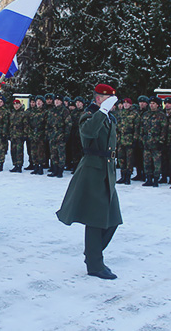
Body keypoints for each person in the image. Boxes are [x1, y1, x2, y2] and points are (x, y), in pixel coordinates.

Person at [57, 84, 122, 280]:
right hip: (92, 171)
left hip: (107, 170)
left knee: (113, 219)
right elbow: (89, 133)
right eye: (105, 97)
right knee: (95, 220)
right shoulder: (89, 115)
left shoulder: (110, 118)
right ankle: (95, 263)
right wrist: (101, 111)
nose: (109, 102)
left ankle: (92, 254)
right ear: (97, 98)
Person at [141, 96, 167, 187]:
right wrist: (142, 139)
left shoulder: (161, 116)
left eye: (154, 104)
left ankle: (156, 179)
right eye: (151, 103)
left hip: (156, 142)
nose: (151, 105)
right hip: (147, 142)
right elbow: (142, 127)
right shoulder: (146, 115)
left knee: (156, 162)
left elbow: (164, 130)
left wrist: (161, 141)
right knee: (147, 161)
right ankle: (148, 178)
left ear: (158, 105)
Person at [46, 94, 72, 178]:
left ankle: (60, 170)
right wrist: (48, 133)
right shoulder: (52, 111)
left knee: (61, 154)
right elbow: (48, 124)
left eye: (58, 100)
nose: (57, 102)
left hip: (61, 135)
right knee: (53, 154)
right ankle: (54, 169)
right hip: (52, 135)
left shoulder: (65, 111)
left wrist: (66, 135)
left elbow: (68, 124)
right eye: (56, 100)